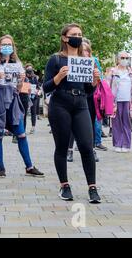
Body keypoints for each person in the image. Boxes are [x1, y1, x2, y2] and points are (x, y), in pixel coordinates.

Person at [43, 23, 101, 203]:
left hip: (81, 104)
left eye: (80, 34)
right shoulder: (55, 60)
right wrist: (58, 77)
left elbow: (88, 90)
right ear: (65, 38)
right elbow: (45, 87)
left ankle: (92, 187)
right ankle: (64, 185)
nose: (78, 36)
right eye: (74, 34)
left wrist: (94, 82)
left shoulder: (85, 60)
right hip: (60, 104)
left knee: (86, 145)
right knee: (61, 146)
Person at [0, 35, 44, 178]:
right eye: (4, 44)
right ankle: (1, 167)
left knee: (21, 133)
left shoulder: (17, 63)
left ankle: (29, 166)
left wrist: (21, 81)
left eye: (9, 44)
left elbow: (19, 88)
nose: (6, 47)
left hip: (13, 99)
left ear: (13, 47)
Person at [106, 52, 132, 152]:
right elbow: (107, 86)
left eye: (126, 58)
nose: (124, 59)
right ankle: (117, 144)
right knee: (116, 123)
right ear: (118, 59)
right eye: (122, 57)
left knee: (127, 123)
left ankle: (126, 145)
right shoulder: (112, 71)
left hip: (128, 101)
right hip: (115, 101)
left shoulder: (131, 72)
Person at [25, 64, 40, 134]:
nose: (29, 74)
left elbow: (38, 87)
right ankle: (23, 127)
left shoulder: (34, 78)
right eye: (28, 72)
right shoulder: (24, 77)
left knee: (33, 112)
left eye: (30, 72)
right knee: (24, 112)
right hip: (26, 97)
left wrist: (37, 91)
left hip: (34, 97)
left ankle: (33, 127)